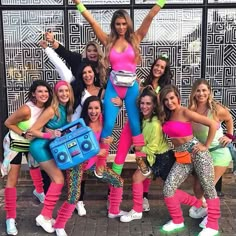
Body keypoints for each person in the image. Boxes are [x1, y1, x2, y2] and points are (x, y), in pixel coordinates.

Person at [71, 0, 166, 191]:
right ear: (114, 25)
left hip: (130, 88)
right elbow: (93, 23)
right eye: (118, 24)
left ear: (128, 24)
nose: (121, 27)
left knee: (134, 124)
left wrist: (162, 1)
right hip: (114, 88)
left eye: (124, 23)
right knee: (107, 124)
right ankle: (100, 163)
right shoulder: (108, 41)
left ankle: (141, 160)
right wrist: (79, 4)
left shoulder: (136, 38)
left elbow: (150, 16)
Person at [40, 40, 121, 216]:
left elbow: (110, 109)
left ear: (94, 73)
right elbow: (61, 66)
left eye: (90, 72)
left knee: (89, 168)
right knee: (73, 169)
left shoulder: (102, 91)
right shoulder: (74, 86)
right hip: (73, 134)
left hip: (93, 137)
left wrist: (121, 102)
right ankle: (72, 201)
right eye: (84, 73)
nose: (87, 75)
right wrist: (48, 48)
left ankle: (98, 203)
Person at [48, 96, 124, 236]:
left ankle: (114, 211)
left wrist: (109, 140)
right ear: (85, 110)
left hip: (93, 166)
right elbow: (75, 150)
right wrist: (96, 151)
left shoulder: (104, 123)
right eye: (90, 108)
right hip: (76, 165)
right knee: (73, 197)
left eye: (96, 108)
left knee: (117, 181)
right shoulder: (80, 125)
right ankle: (59, 225)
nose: (93, 111)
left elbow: (116, 112)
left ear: (101, 110)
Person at [110, 55, 173, 214]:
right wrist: (120, 101)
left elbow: (167, 108)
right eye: (156, 65)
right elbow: (131, 100)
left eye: (162, 67)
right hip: (133, 124)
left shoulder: (166, 89)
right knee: (119, 158)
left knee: (143, 163)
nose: (158, 68)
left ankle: (143, 198)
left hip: (147, 129)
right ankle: (112, 196)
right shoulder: (142, 83)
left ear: (165, 71)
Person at [158, 84, 220, 236]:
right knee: (168, 188)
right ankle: (178, 220)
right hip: (181, 156)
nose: (169, 102)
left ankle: (213, 225)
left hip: (196, 152)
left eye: (172, 98)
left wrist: (205, 145)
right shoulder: (165, 115)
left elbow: (212, 124)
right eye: (165, 100)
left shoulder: (185, 112)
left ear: (177, 97)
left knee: (208, 188)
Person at [3, 80, 53, 235]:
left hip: (31, 144)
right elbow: (8, 122)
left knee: (35, 166)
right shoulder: (26, 109)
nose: (43, 94)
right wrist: (24, 133)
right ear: (33, 94)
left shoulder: (47, 109)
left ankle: (39, 191)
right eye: (40, 91)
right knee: (13, 180)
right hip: (15, 143)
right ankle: (10, 219)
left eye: (46, 91)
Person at [119, 87, 175, 222]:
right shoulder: (143, 119)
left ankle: (198, 204)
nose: (144, 106)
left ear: (154, 105)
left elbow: (152, 149)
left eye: (148, 103)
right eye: (142, 103)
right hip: (154, 157)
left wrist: (136, 147)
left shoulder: (154, 124)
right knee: (138, 178)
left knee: (171, 190)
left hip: (162, 158)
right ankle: (138, 210)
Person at [29, 80, 74, 234]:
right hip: (40, 147)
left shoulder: (65, 108)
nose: (64, 94)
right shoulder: (52, 110)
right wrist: (50, 134)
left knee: (58, 179)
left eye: (67, 91)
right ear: (56, 93)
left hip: (48, 148)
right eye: (60, 91)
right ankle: (44, 216)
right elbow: (32, 131)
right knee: (58, 179)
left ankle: (46, 215)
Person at [188, 79, 233, 228]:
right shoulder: (191, 109)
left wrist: (230, 135)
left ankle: (212, 217)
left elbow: (229, 118)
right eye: (198, 90)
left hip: (218, 152)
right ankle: (203, 207)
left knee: (207, 187)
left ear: (209, 92)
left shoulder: (215, 109)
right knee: (197, 187)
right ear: (194, 93)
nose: (201, 93)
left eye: (204, 90)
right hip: (201, 154)